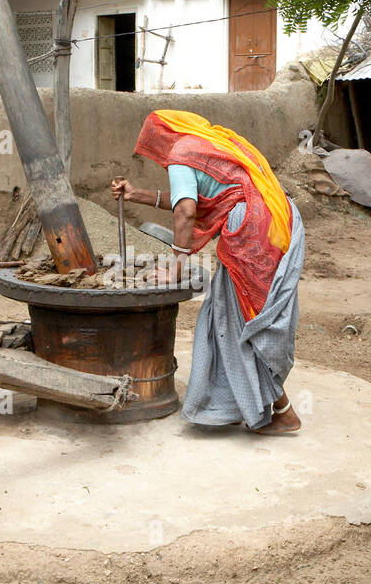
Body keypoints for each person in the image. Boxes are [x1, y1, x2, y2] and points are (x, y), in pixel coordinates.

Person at [111, 109, 304, 434]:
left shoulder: (180, 154)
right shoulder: (209, 144)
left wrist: (176, 269)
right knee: (243, 315)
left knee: (237, 319)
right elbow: (194, 199)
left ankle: (282, 412)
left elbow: (186, 211)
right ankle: (252, 405)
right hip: (279, 222)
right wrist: (137, 195)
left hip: (253, 234)